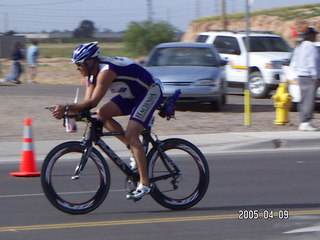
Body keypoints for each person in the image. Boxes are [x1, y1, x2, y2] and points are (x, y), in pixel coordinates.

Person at [51, 42, 163, 200]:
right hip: (132, 94)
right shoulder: (91, 75)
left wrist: (66, 107)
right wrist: (70, 114)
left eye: (79, 64)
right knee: (101, 115)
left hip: (150, 92)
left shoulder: (105, 72)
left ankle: (145, 184)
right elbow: (86, 104)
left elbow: (93, 102)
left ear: (90, 62)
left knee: (132, 135)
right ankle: (134, 149)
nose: (77, 68)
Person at [290, 26, 320, 131]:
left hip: (301, 75)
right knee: (309, 100)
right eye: (314, 34)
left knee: (303, 99)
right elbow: (312, 62)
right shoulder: (310, 46)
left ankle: (303, 121)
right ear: (310, 36)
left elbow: (294, 61)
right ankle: (306, 122)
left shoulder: (300, 45)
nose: (316, 36)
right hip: (309, 76)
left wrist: (297, 73)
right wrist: (315, 76)